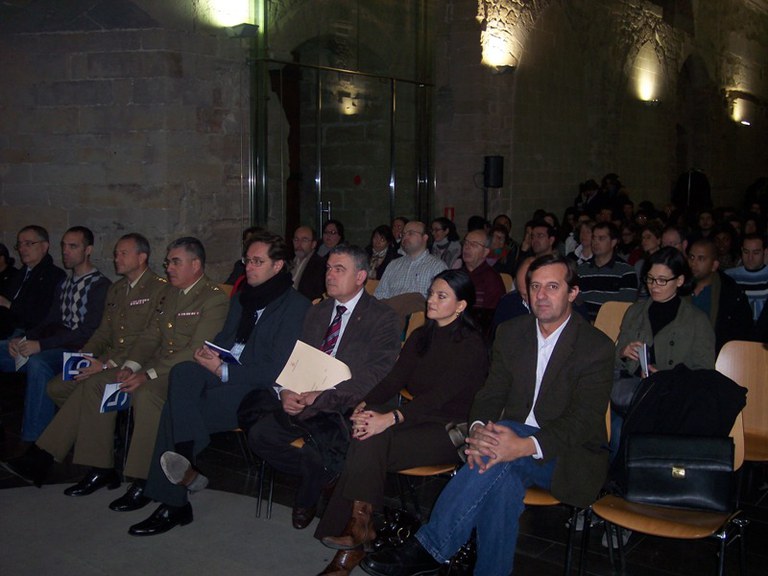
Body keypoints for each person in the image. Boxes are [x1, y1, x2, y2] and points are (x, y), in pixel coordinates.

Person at [360, 254, 615, 576]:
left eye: (552, 287)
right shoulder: (512, 333)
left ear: (573, 293)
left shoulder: (596, 347)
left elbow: (584, 421)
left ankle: (432, 546)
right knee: (502, 474)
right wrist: (479, 428)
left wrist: (523, 445)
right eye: (535, 286)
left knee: (501, 446)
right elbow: (490, 394)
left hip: (565, 455)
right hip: (502, 449)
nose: (541, 295)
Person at [0, 237, 229, 504]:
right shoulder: (170, 294)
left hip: (184, 373)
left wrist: (144, 373)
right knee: (95, 384)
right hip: (151, 364)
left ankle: (142, 479)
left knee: (144, 395)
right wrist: (130, 366)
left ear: (196, 264)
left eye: (175, 262)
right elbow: (148, 337)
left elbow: (194, 350)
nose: (168, 267)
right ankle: (99, 467)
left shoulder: (212, 298)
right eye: (168, 262)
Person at [128, 231, 311, 535]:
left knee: (174, 412)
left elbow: (275, 369)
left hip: (257, 388)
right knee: (183, 372)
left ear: (278, 266)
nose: (249, 267)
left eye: (257, 261)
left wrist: (224, 372)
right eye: (247, 260)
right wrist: (209, 351)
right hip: (224, 370)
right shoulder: (242, 299)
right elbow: (226, 339)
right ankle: (184, 462)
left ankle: (175, 500)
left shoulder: (295, 306)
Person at [313, 270, 489, 575]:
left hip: (454, 429)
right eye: (431, 293)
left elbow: (438, 398)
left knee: (368, 440)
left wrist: (390, 417)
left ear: (461, 305)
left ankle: (355, 543)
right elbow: (394, 379)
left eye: (441, 296)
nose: (431, 300)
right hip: (418, 418)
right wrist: (363, 404)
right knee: (368, 433)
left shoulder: (472, 345)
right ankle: (361, 526)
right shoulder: (423, 335)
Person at [245, 245, 401, 530]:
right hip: (305, 401)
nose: (329, 275)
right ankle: (323, 474)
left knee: (318, 450)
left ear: (361, 276)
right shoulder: (317, 312)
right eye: (328, 268)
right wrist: (286, 391)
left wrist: (327, 396)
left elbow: (377, 373)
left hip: (344, 405)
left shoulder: (383, 318)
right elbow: (297, 359)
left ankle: (307, 496)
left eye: (339, 269)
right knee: (259, 436)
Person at [0, 226, 111, 441]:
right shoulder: (65, 283)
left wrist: (41, 345)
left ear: (88, 250)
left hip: (81, 351)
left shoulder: (99, 285)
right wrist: (24, 339)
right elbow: (50, 319)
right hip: (58, 345)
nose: (66, 252)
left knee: (38, 363)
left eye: (73, 246)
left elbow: (86, 332)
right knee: (4, 350)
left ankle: (35, 439)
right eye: (64, 246)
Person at [0, 225, 66, 339]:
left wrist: (8, 305)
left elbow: (41, 316)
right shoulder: (20, 274)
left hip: (27, 334)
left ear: (44, 246)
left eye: (28, 244)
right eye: (20, 244)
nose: (22, 249)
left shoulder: (54, 276)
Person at [688, 238, 754, 353]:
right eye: (691, 257)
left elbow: (741, 334)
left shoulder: (731, 294)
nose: (693, 263)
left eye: (701, 259)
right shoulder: (679, 287)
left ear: (714, 265)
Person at [577, 222, 638, 322]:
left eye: (601, 238)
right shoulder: (582, 270)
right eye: (594, 238)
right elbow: (577, 303)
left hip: (612, 326)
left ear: (613, 242)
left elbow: (626, 308)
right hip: (585, 326)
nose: (595, 242)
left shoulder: (626, 272)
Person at [374, 222, 447, 300]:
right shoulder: (393, 265)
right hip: (391, 310)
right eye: (403, 234)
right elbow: (380, 294)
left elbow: (442, 299)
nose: (405, 237)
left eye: (410, 233)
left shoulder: (437, 267)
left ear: (425, 237)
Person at [459, 228, 505, 334]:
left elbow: (489, 319)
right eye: (465, 243)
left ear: (485, 252)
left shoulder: (492, 279)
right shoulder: (456, 275)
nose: (467, 247)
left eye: (474, 245)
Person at [725, 233, 768, 321]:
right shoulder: (729, 276)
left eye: (756, 253)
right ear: (741, 250)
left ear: (765, 252)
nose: (750, 258)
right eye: (746, 252)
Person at [291, 225, 326, 301]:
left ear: (313, 244)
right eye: (296, 239)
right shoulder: (288, 262)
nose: (299, 244)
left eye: (304, 240)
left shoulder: (321, 266)